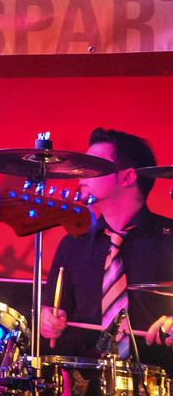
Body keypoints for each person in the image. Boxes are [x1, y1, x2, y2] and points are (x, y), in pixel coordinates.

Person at [42, 128, 173, 375]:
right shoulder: (72, 243)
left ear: (127, 177)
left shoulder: (170, 239)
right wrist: (47, 321)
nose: (82, 174)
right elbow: (52, 310)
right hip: (85, 380)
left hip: (160, 381)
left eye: (94, 165)